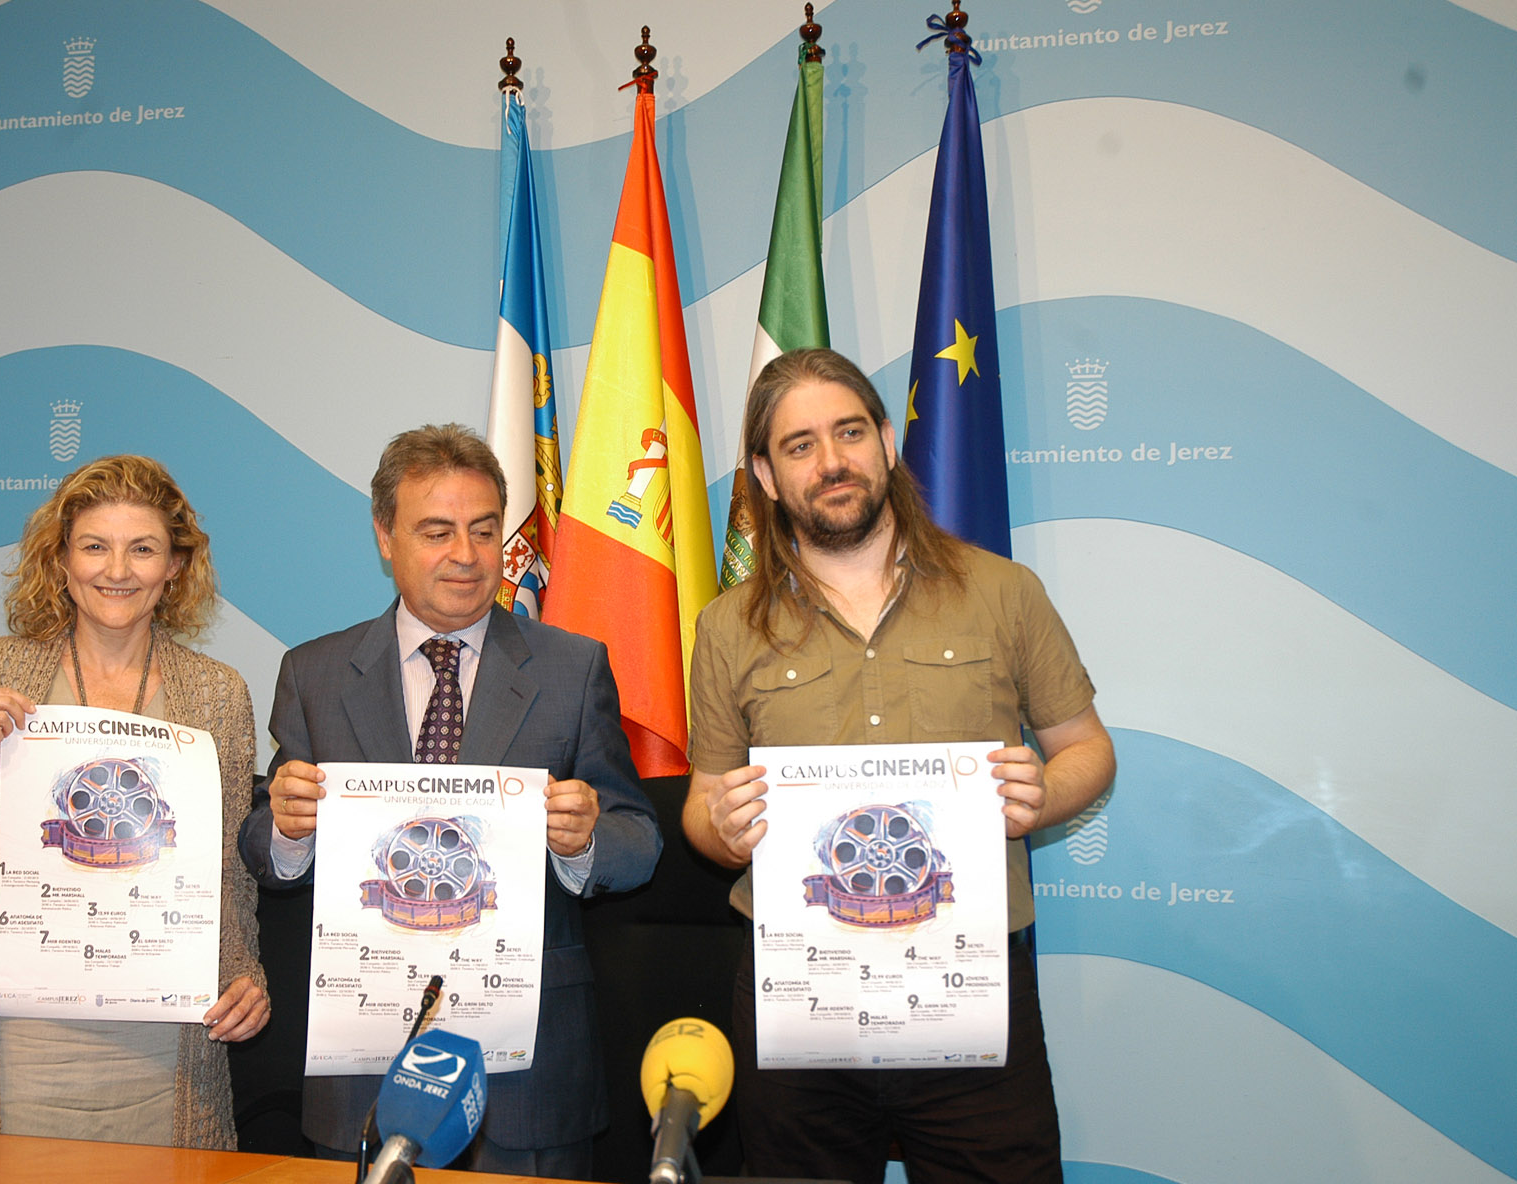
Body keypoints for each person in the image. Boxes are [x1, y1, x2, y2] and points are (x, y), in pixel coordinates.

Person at [683, 349, 1115, 1183]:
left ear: (886, 442)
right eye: (800, 445)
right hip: (799, 995)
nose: (832, 460)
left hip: (971, 986)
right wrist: (722, 828)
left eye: (850, 433)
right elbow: (703, 805)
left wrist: (1044, 795)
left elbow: (1088, 749)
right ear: (766, 476)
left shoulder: (1004, 593)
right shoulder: (728, 627)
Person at [239, 423, 661, 1180]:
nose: (466, 555)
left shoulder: (573, 669)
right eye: (437, 532)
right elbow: (263, 845)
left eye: (484, 530)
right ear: (385, 537)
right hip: (363, 1064)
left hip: (528, 1069)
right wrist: (290, 829)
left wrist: (585, 840)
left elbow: (639, 839)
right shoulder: (315, 673)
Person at [0, 455, 269, 1149]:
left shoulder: (218, 694)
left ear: (175, 566)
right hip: (19, 1046)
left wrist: (241, 971)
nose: (117, 570)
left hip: (166, 1047)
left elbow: (226, 871)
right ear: (61, 559)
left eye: (143, 549)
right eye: (95, 546)